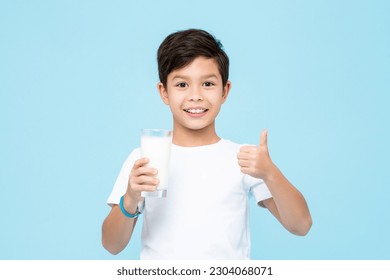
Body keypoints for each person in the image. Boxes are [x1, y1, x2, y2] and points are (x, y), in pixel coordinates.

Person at [102, 29, 312, 259]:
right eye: (182, 85)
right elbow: (112, 245)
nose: (196, 96)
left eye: (208, 84)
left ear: (225, 91)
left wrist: (270, 172)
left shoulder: (242, 159)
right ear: (164, 92)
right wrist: (131, 198)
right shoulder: (145, 159)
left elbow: (301, 226)